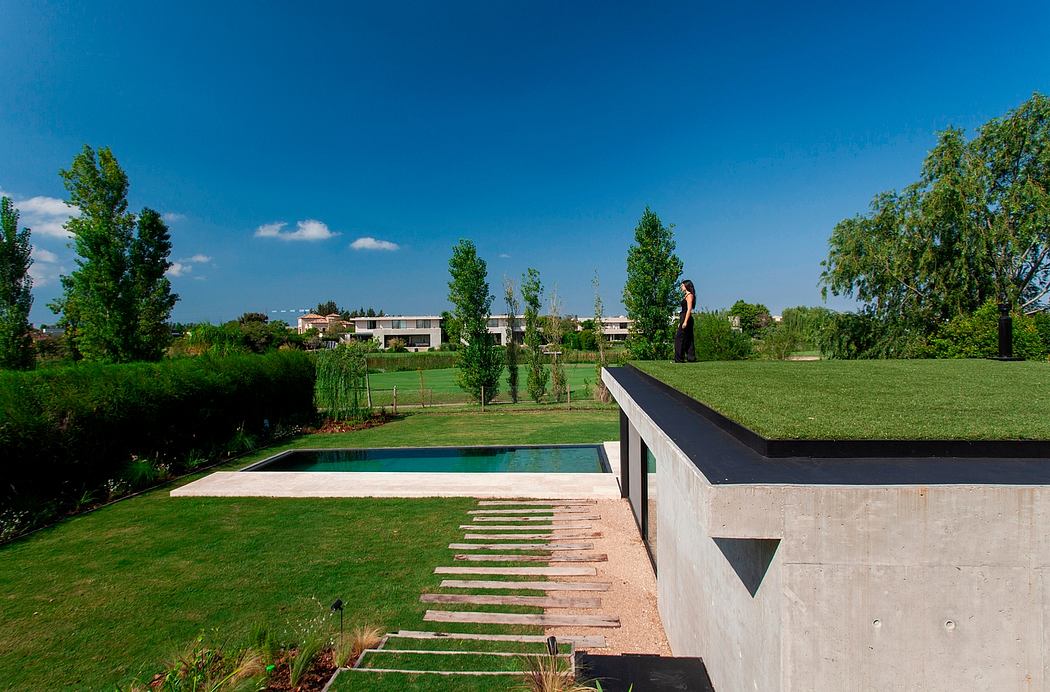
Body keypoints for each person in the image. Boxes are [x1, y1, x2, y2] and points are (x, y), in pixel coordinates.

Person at [674, 279, 697, 363]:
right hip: (683, 317)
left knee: (679, 338)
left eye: (682, 285)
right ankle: (691, 358)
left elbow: (689, 309)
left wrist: (685, 322)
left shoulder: (689, 295)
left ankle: (679, 358)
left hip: (686, 317)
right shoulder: (686, 295)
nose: (681, 287)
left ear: (686, 286)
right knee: (688, 338)